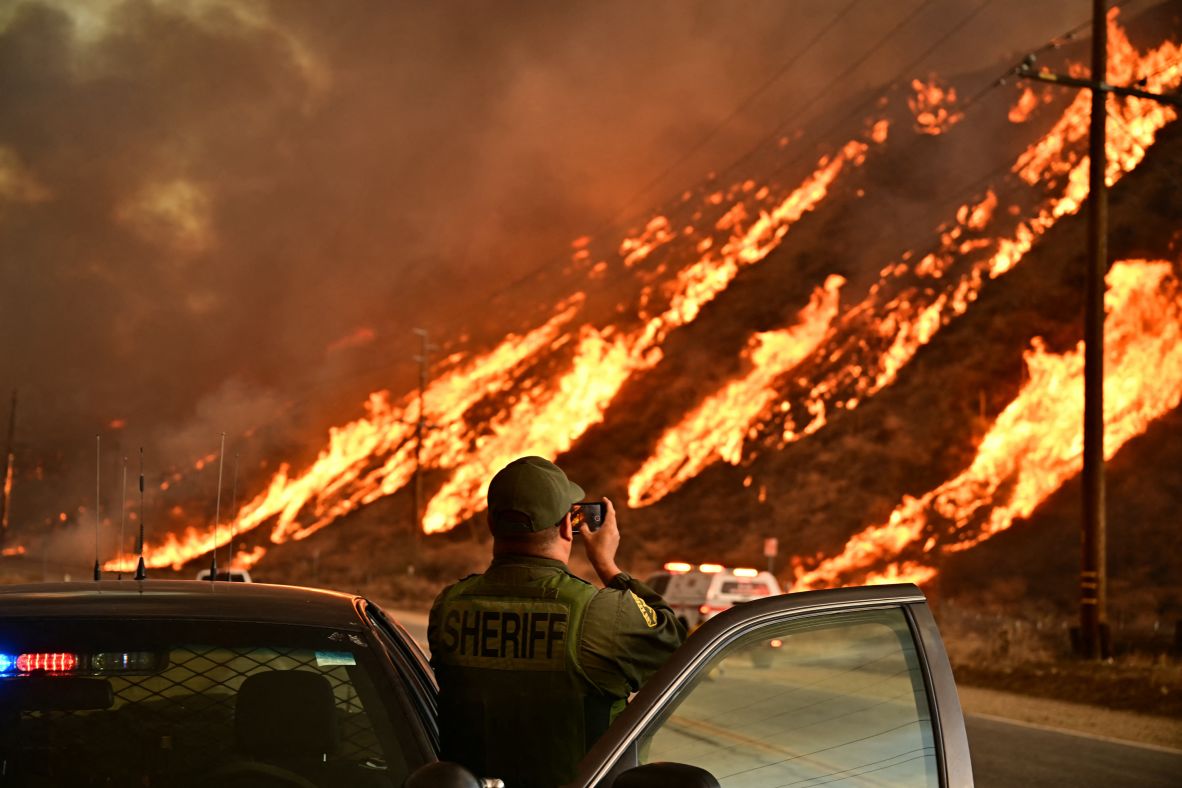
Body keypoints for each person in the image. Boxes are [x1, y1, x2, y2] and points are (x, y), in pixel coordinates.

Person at [428, 456, 685, 788]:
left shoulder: (449, 606)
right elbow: (675, 648)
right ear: (568, 526)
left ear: (492, 524)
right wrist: (608, 566)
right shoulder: (600, 613)